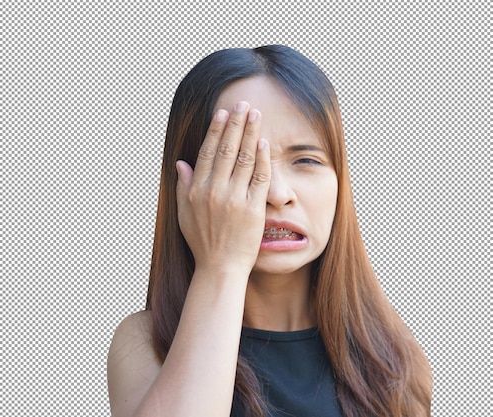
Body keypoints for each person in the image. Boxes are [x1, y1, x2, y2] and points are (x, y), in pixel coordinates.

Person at [107, 45, 432, 417]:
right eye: (238, 163)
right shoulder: (145, 343)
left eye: (306, 160)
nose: (277, 194)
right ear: (188, 187)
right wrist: (221, 266)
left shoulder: (392, 357)